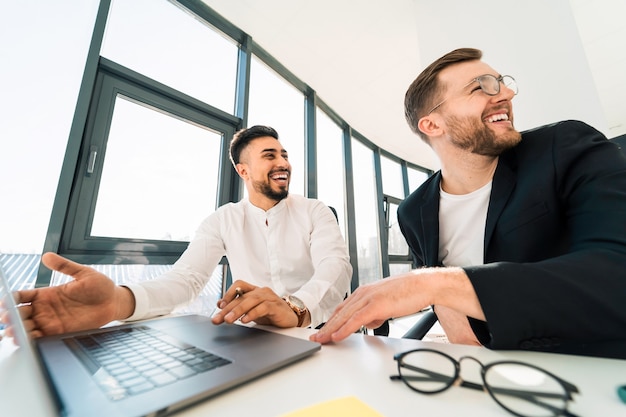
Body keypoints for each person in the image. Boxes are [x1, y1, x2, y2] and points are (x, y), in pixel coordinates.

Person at [311, 48, 626, 358]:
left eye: (501, 82)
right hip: (500, 368)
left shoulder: (566, 146)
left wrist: (434, 284)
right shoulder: (413, 211)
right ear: (433, 125)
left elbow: (616, 271)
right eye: (481, 86)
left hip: (598, 362)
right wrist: (467, 350)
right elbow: (443, 292)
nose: (506, 94)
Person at [13, 125, 352, 338]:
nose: (284, 163)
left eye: (284, 155)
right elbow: (185, 280)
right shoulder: (222, 220)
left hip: (319, 332)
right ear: (243, 170)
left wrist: (295, 309)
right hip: (254, 342)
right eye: (270, 156)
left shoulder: (314, 211)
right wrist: (120, 301)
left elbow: (334, 267)